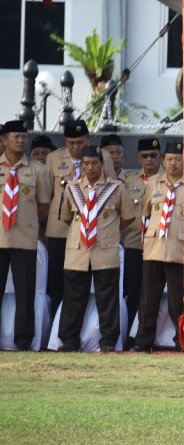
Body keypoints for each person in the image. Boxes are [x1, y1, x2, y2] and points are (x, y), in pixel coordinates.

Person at [57, 146, 133, 351]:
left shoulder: (116, 188)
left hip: (105, 251)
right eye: (86, 163)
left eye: (95, 163)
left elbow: (128, 217)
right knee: (73, 298)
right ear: (81, 165)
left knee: (107, 299)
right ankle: (69, 340)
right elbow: (66, 217)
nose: (90, 167)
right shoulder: (72, 188)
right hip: (77, 251)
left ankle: (109, 341)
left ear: (102, 164)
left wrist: (109, 232)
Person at [43, 120, 115, 319]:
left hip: (94, 229)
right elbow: (47, 194)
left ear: (89, 139)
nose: (76, 147)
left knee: (92, 281)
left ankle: (91, 325)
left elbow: (112, 190)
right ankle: (58, 328)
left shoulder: (104, 157)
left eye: (80, 142)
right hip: (60, 228)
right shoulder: (53, 158)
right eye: (70, 142)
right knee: (59, 280)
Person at [133, 140, 184, 352]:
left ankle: (182, 341)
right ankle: (143, 341)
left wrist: (182, 231)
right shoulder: (153, 183)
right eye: (170, 159)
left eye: (178, 159)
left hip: (178, 251)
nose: (173, 163)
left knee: (178, 302)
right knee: (148, 300)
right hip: (153, 249)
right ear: (163, 160)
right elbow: (146, 212)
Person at [0, 120, 52, 351]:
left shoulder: (37, 170)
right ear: (4, 140)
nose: (21, 140)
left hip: (25, 239)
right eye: (16, 137)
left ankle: (23, 340)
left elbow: (43, 204)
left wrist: (27, 222)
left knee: (25, 293)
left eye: (24, 136)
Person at [121, 137, 162, 337]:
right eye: (144, 156)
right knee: (134, 292)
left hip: (159, 246)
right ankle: (129, 334)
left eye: (153, 155)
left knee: (154, 294)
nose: (149, 159)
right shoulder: (129, 181)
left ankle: (151, 335)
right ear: (138, 158)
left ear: (160, 156)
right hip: (134, 244)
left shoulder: (168, 180)